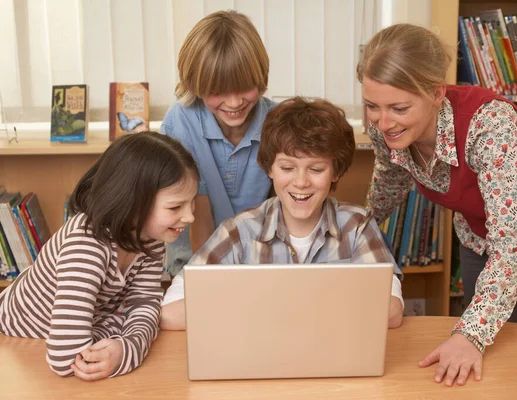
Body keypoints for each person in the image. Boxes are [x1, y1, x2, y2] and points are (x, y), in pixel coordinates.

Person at [357, 24, 517, 386]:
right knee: (481, 361)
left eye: (398, 108)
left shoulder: (491, 126)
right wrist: (354, 227)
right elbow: (391, 179)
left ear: (436, 93)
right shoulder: (384, 123)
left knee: (516, 356)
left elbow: (514, 245)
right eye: (372, 105)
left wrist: (469, 335)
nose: (382, 122)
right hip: (479, 234)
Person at [160, 97, 405, 330]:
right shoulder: (239, 231)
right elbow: (170, 312)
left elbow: (392, 309)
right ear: (269, 168)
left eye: (316, 169)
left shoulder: (357, 226)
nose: (300, 182)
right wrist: (278, 312)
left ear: (336, 172)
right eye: (287, 168)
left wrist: (282, 311)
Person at [0, 132, 199, 380]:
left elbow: (146, 307)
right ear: (133, 202)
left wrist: (126, 348)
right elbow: (65, 357)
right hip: (20, 333)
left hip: (89, 318)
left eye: (191, 203)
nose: (190, 217)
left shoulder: (149, 237)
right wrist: (123, 326)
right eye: (175, 207)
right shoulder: (87, 246)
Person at [161, 10, 276, 276]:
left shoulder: (277, 122)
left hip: (260, 263)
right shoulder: (180, 121)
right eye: (218, 91)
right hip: (195, 263)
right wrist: (212, 282)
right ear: (195, 84)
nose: (234, 103)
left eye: (245, 87)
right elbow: (198, 216)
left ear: (261, 78)